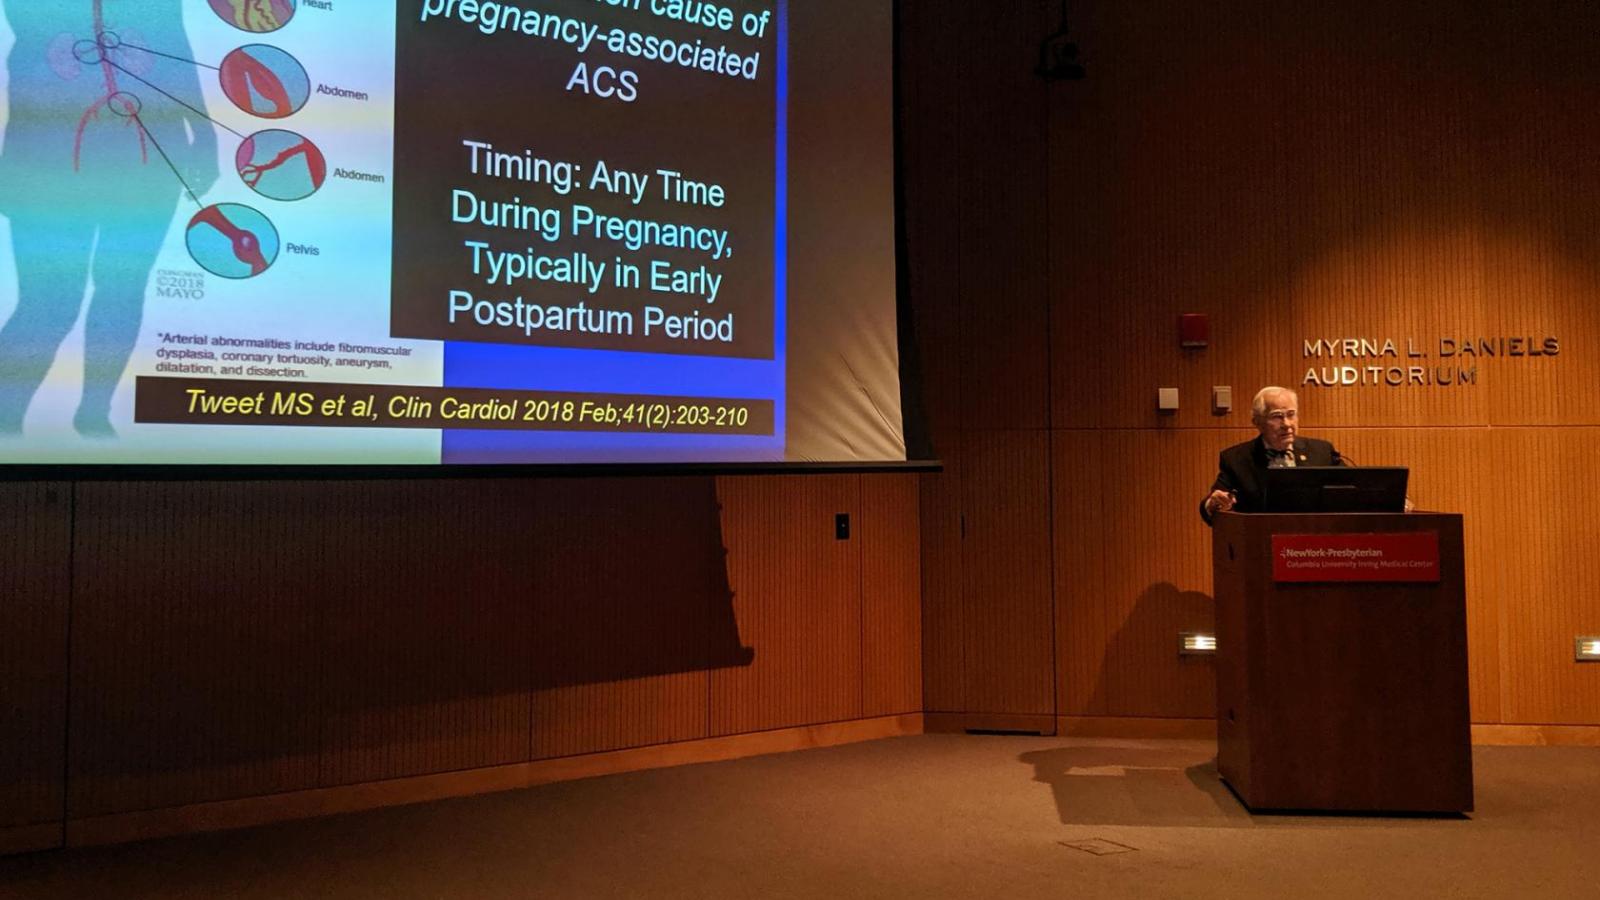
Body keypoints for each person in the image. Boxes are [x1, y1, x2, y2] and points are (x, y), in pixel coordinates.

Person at [0, 1, 218, 436]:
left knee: (122, 289)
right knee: (50, 300)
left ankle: (94, 417)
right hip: (50, 159)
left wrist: (205, 133)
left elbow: (175, 45)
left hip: (149, 156)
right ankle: (6, 423)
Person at [1200, 386, 1342, 524]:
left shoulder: (1321, 451)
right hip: (1260, 541)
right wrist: (1213, 504)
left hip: (1313, 542)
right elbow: (1215, 500)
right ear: (1257, 422)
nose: (1286, 424)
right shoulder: (1237, 459)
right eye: (1277, 416)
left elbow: (1350, 489)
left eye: (1291, 414)